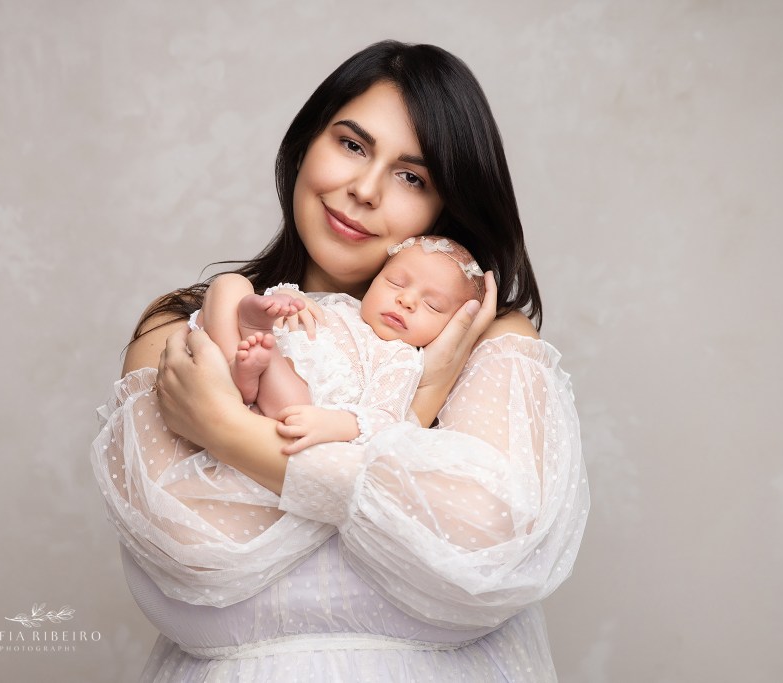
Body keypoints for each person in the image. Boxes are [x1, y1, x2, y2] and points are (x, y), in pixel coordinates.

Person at [92, 39, 589, 682]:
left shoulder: (485, 339)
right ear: (304, 146)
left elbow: (485, 544)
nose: (363, 189)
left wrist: (228, 431)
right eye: (352, 144)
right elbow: (194, 548)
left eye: (413, 177)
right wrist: (402, 459)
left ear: (445, 208)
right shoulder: (181, 328)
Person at [201, 235, 486, 453]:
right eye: (396, 283)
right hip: (253, 351)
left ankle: (258, 362)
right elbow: (300, 307)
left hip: (295, 403)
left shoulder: (401, 358)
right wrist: (289, 300)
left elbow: (386, 421)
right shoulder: (344, 305)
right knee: (230, 284)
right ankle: (235, 368)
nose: (406, 301)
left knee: (294, 399)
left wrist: (333, 424)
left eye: (432, 305)